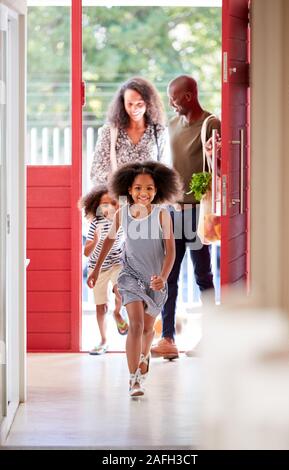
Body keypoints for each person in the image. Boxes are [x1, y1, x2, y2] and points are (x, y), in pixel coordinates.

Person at [87, 161, 183, 397]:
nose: (144, 193)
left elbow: (170, 251)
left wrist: (162, 277)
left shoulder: (162, 215)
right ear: (129, 190)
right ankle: (134, 380)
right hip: (129, 276)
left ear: (157, 190)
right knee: (137, 325)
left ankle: (144, 356)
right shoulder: (122, 214)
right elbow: (108, 241)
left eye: (149, 188)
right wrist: (96, 269)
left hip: (155, 280)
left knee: (149, 330)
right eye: (138, 188)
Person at [151, 75, 221, 359]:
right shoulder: (171, 126)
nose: (171, 103)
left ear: (190, 96)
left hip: (198, 213)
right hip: (173, 212)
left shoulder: (211, 123)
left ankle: (212, 339)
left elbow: (221, 167)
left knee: (202, 275)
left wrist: (215, 156)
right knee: (169, 277)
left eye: (174, 98)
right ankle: (167, 339)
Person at [90, 77, 166, 186]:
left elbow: (163, 172)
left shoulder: (158, 131)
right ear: (122, 103)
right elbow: (96, 173)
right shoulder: (110, 131)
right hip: (120, 199)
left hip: (148, 200)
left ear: (148, 103)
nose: (134, 109)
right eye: (129, 104)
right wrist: (118, 179)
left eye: (139, 104)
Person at [80, 185, 128, 355]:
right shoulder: (96, 223)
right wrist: (95, 240)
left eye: (111, 202)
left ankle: (117, 313)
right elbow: (86, 252)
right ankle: (103, 340)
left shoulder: (122, 220)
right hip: (97, 267)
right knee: (101, 307)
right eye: (103, 204)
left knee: (120, 290)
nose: (108, 206)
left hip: (116, 263)